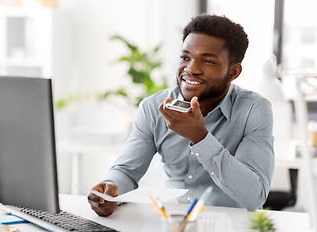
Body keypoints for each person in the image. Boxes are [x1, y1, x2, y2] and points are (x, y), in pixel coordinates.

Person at [87, 14, 274, 216]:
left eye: (208, 61)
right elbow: (125, 171)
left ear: (233, 72)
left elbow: (254, 197)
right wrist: (110, 189)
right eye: (185, 57)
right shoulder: (152, 108)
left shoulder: (254, 110)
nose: (191, 69)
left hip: (229, 225)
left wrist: (200, 138)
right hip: (170, 222)